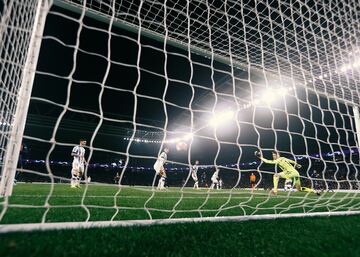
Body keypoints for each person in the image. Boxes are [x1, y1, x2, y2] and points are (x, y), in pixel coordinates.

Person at [255, 150, 320, 195]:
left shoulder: (278, 159)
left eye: (274, 155)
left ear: (278, 155)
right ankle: (314, 191)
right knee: (299, 189)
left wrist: (260, 157)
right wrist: (297, 164)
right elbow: (291, 161)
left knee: (276, 175)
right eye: (273, 155)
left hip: (290, 173)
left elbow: (267, 161)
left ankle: (275, 191)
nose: (273, 156)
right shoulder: (284, 158)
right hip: (296, 173)